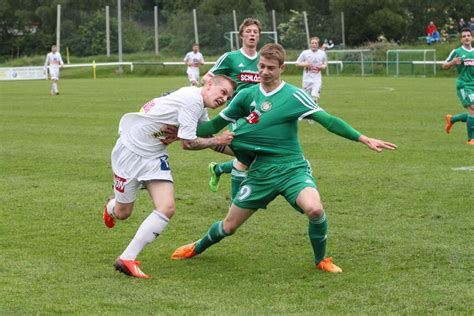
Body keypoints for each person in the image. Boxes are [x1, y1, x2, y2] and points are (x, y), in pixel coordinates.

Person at [171, 43, 397, 273]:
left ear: (282, 68)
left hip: (291, 169)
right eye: (261, 66)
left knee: (315, 210)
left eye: (270, 67)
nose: (264, 72)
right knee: (228, 227)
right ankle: (196, 247)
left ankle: (322, 260)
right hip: (260, 173)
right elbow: (211, 126)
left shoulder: (295, 96)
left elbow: (328, 120)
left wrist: (363, 138)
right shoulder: (245, 96)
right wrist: (175, 121)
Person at [102, 75, 237, 279]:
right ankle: (111, 206)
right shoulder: (192, 101)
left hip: (154, 155)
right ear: (209, 84)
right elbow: (189, 143)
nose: (224, 99)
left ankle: (127, 258)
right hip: (130, 151)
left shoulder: (199, 106)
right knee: (122, 213)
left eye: (228, 97)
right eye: (223, 92)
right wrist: (217, 138)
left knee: (167, 207)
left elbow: (207, 140)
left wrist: (247, 155)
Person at [203, 18, 262, 198]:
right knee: (249, 155)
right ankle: (235, 205)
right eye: (248, 31)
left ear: (259, 36)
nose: (252, 34)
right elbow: (207, 77)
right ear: (242, 35)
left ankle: (218, 168)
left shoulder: (263, 60)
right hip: (237, 114)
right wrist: (222, 96)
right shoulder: (231, 57)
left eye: (255, 32)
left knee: (253, 157)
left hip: (258, 114)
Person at [443, 28, 474, 145]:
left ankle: (452, 119)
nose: (466, 38)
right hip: (464, 85)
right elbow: (444, 65)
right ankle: (471, 139)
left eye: (468, 35)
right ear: (461, 39)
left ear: (471, 38)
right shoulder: (457, 52)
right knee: (473, 108)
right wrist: (452, 62)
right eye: (464, 36)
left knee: (473, 112)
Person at [296, 36, 328, 104]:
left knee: (314, 97)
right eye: (312, 43)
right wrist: (305, 65)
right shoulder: (305, 53)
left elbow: (325, 64)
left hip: (317, 79)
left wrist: (322, 67)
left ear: (318, 44)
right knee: (306, 98)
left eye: (315, 43)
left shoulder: (322, 53)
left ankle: (314, 111)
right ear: (310, 44)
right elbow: (297, 63)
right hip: (306, 79)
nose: (314, 44)